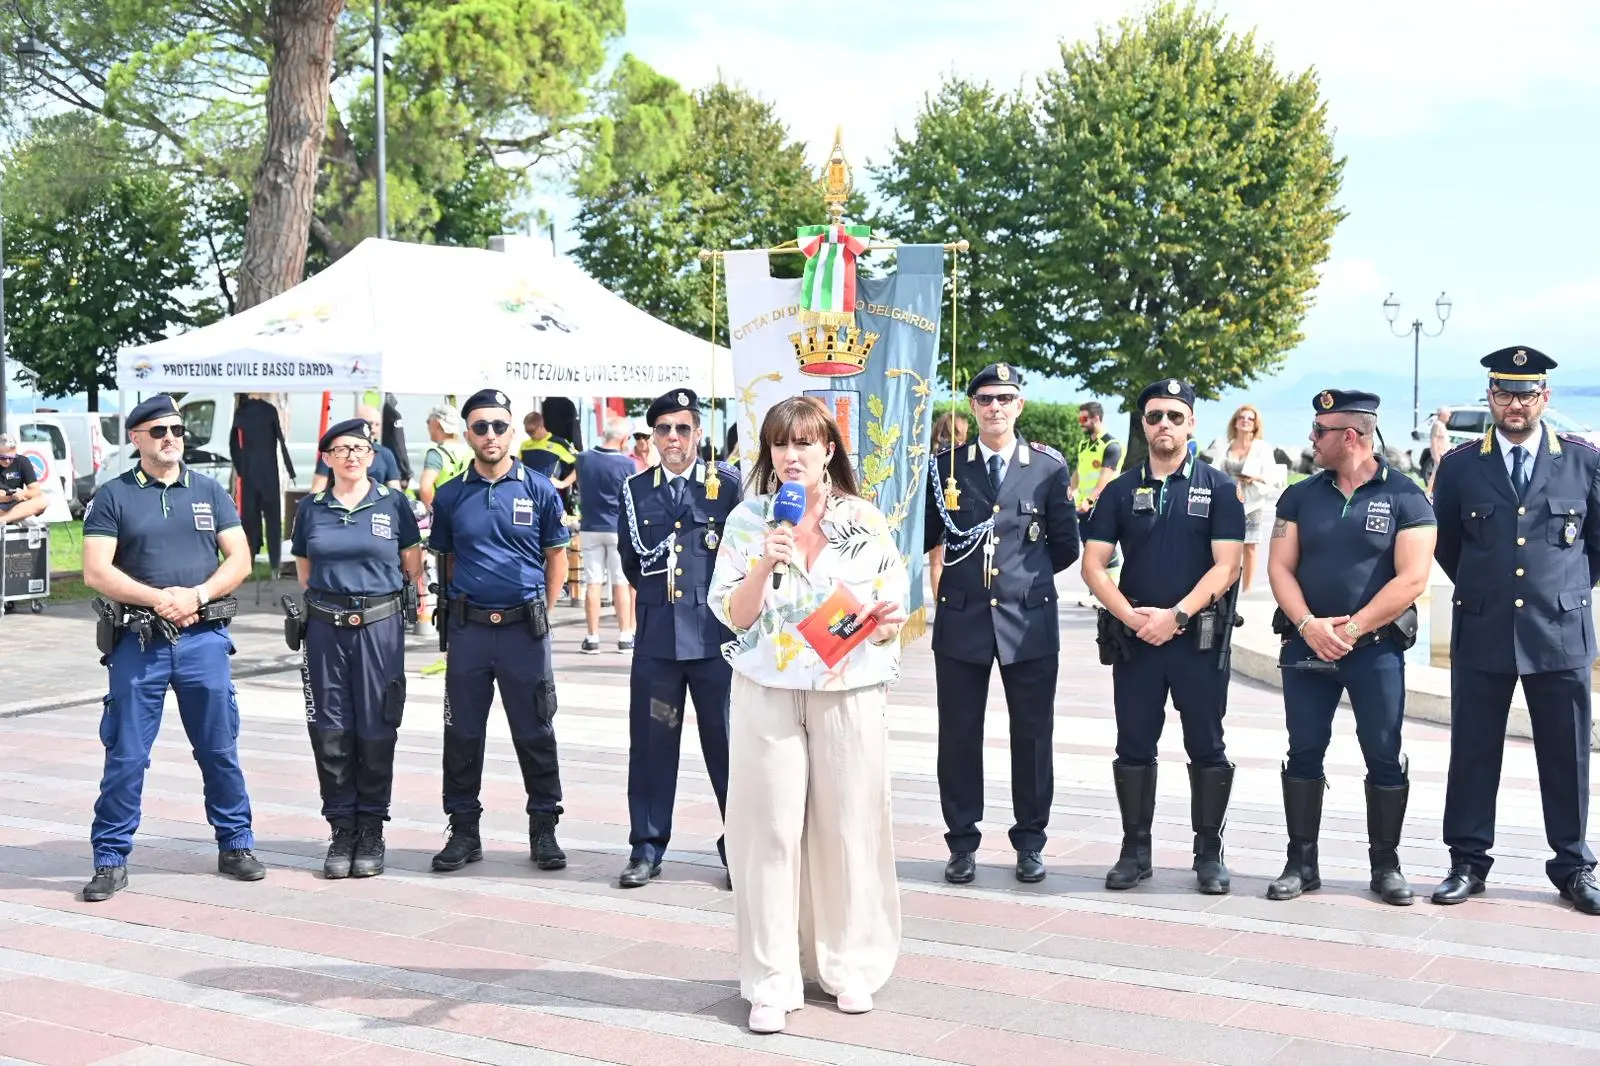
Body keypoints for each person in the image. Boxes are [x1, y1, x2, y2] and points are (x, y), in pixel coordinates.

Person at [709, 396, 910, 1035]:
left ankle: (848, 966)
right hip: (767, 690)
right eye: (779, 444)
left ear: (828, 450)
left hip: (848, 692)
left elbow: (891, 612)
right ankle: (772, 978)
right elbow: (735, 615)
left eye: (803, 443)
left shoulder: (866, 520)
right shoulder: (749, 520)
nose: (791, 456)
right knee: (767, 832)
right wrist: (766, 560)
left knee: (849, 828)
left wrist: (886, 624)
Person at [1431, 347, 1600, 915]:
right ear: (1490, 397)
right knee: (1473, 751)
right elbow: (1448, 547)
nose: (1515, 405)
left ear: (1544, 398)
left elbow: (1596, 547)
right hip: (1484, 627)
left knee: (1568, 754)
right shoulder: (1461, 466)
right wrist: (1490, 588)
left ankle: (1573, 866)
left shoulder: (1583, 461)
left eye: (1526, 395)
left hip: (1560, 630)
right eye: (1504, 394)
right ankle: (1467, 862)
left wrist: (1562, 590)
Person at [79, 394, 262, 902]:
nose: (170, 439)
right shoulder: (113, 495)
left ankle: (236, 844)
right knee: (126, 755)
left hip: (203, 639)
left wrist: (197, 596)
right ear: (136, 438)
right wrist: (160, 600)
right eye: (158, 431)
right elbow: (96, 570)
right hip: (140, 643)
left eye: (177, 430)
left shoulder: (209, 490)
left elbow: (240, 559)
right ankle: (110, 858)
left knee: (219, 750)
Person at [1265, 389, 1435, 906]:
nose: (1312, 438)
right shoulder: (1299, 496)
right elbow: (1279, 567)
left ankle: (1386, 866)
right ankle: (1301, 863)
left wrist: (1352, 630)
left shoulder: (1406, 496)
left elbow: (1412, 578)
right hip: (1307, 644)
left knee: (1383, 752)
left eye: (1320, 431)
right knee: (1303, 749)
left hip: (1376, 650)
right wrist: (1309, 624)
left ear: (1352, 436)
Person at [1082, 379, 1246, 895]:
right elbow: (1093, 565)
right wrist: (1132, 618)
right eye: (1154, 416)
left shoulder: (1219, 488)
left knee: (1207, 746)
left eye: (1175, 416)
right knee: (1133, 745)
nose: (1164, 425)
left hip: (1197, 640)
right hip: (1137, 642)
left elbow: (1227, 566)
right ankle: (1135, 851)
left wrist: (1175, 616)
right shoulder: (1119, 490)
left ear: (1191, 423)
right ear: (1143, 424)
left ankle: (1209, 852)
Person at [924, 362, 1080, 885]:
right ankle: (962, 842)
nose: (995, 407)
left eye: (1005, 398)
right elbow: (926, 536)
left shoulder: (1047, 468)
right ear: (972, 406)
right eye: (986, 398)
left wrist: (1019, 580)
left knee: (1032, 735)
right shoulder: (945, 467)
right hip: (962, 618)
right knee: (959, 735)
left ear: (1020, 405)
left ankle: (1030, 841)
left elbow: (1065, 546)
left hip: (1028, 620)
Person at [428, 390, 571, 874]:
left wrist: (543, 612)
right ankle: (463, 830)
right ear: (467, 433)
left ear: (512, 431)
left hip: (523, 631)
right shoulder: (450, 494)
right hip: (469, 630)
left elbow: (557, 558)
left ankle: (544, 828)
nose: (490, 435)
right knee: (462, 733)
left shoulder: (539, 488)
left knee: (535, 730)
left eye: (499, 426)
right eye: (480, 426)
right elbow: (447, 560)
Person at [291, 417, 425, 879]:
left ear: (372, 456)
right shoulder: (311, 508)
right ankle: (341, 828)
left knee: (377, 725)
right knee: (329, 728)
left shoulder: (394, 503)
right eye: (341, 449)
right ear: (327, 458)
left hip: (379, 627)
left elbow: (411, 566)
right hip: (325, 629)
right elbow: (305, 571)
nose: (351, 456)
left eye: (359, 448)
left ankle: (371, 828)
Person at [616, 390, 740, 890]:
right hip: (659, 645)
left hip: (714, 643)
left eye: (683, 429)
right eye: (664, 429)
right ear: (652, 436)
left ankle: (740, 848)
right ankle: (646, 847)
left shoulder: (725, 485)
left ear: (698, 434)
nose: (673, 438)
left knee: (728, 747)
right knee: (653, 744)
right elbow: (632, 561)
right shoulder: (635, 490)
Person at [575, 419, 638, 654]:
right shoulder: (627, 463)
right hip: (616, 527)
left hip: (590, 525)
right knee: (621, 582)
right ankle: (625, 636)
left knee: (592, 583)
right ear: (622, 439)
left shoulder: (583, 459)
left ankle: (592, 637)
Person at [1206, 404, 1285, 593]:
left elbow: (1272, 475)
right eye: (1242, 417)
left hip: (1252, 502)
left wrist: (1254, 478)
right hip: (1227, 501)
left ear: (1256, 424)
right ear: (1235, 421)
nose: (1245, 421)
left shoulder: (1262, 448)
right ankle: (1222, 588)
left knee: (1249, 546)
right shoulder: (1225, 446)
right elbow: (1214, 472)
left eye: (1250, 418)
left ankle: (1247, 590)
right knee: (1223, 545)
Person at [228, 393, 297, 573]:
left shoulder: (242, 412)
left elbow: (233, 444)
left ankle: (249, 561)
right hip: (269, 471)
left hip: (250, 471)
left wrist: (241, 467)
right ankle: (274, 564)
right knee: (273, 519)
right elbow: (280, 439)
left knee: (250, 518)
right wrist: (290, 469)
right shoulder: (269, 410)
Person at [1073, 402, 1124, 605]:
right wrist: (1070, 492)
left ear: (1096, 418)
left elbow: (1106, 477)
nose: (1080, 423)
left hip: (1103, 506)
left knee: (1106, 551)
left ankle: (1113, 595)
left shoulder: (1111, 446)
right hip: (1084, 508)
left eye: (1083, 419)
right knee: (1090, 551)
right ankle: (1096, 594)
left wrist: (1089, 500)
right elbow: (1078, 473)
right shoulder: (1084, 445)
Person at [311, 405, 402, 493]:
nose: (373, 429)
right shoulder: (334, 452)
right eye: (370, 424)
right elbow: (318, 487)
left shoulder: (385, 454)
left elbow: (395, 489)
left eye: (377, 424)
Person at [927, 412, 970, 597]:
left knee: (936, 563)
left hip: (936, 510)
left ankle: (939, 604)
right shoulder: (961, 453)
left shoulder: (932, 453)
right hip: (957, 511)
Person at [0, 433, 48, 524]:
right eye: (3, 457)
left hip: (16, 503)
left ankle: (4, 520)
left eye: (11, 458)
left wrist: (23, 494)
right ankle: (16, 518)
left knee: (43, 500)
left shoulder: (23, 461)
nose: (7, 461)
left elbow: (35, 490)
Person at [1426, 405, 1450, 497]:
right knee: (1436, 475)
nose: (1449, 415)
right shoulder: (1437, 425)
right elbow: (1434, 441)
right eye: (1448, 414)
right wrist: (1436, 456)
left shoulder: (1441, 425)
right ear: (1442, 414)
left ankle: (1436, 492)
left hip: (1444, 455)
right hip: (1440, 455)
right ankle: (1428, 493)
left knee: (1440, 475)